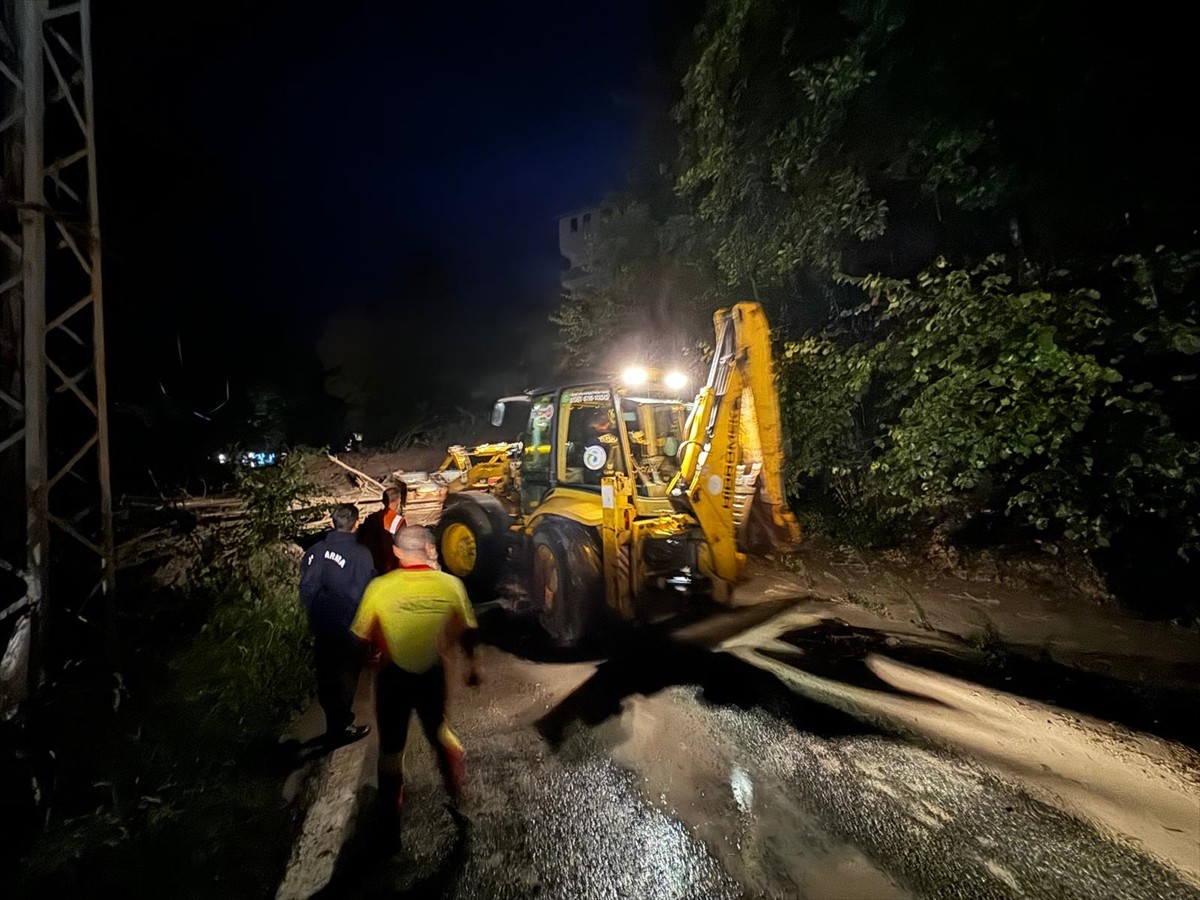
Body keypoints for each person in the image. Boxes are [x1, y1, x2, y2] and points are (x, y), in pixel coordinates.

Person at [351, 526, 480, 816]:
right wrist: (471, 667)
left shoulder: (379, 588)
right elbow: (467, 631)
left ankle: (390, 812)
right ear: (428, 549)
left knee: (392, 748)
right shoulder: (450, 585)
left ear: (397, 552)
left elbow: (362, 637)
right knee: (439, 731)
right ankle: (456, 789)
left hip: (391, 679)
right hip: (431, 675)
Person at [299, 503, 375, 747]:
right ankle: (340, 728)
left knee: (326, 674)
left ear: (332, 522)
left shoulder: (314, 551)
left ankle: (335, 719)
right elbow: (364, 591)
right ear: (356, 523)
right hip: (348, 628)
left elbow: (306, 587)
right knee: (345, 678)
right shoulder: (361, 554)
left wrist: (314, 614)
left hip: (322, 626)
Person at [357, 484, 407, 574]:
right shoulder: (398, 521)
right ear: (398, 500)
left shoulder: (371, 518)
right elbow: (402, 545)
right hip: (389, 565)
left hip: (371, 562)